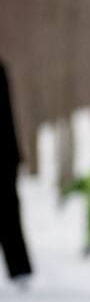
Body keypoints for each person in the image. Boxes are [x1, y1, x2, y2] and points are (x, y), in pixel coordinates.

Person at [1, 59, 33, 287]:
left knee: (9, 213)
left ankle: (20, 269)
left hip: (5, 156)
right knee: (9, 213)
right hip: (6, 156)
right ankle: (19, 268)